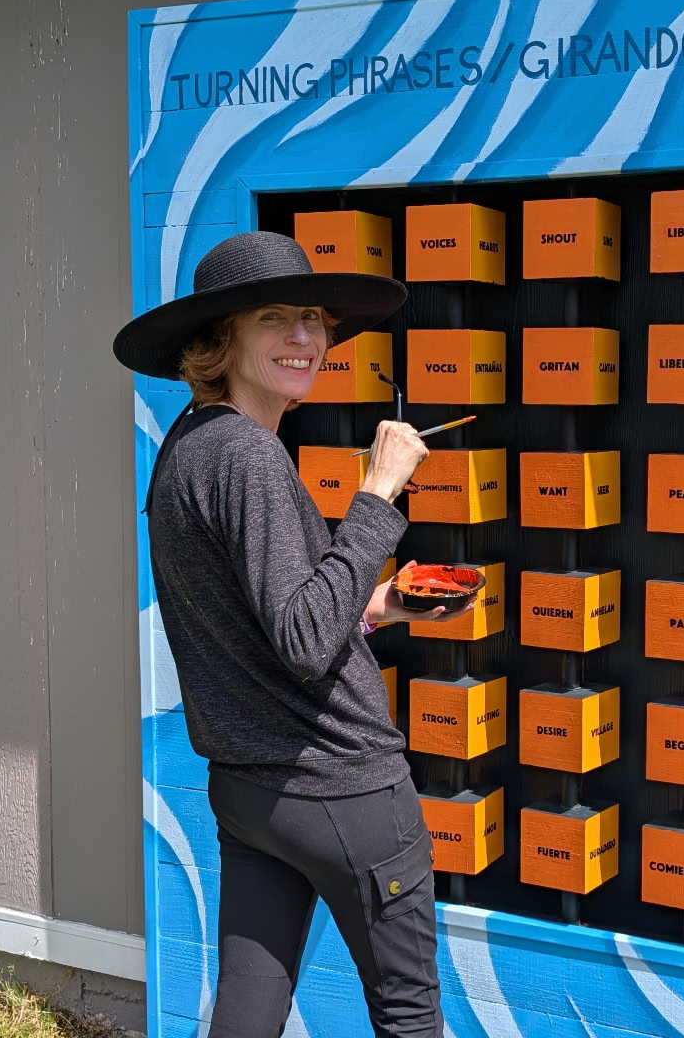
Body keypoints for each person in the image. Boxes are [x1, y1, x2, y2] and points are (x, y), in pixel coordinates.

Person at [113, 230, 463, 1038]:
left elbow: (270, 624)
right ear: (217, 341)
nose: (305, 337)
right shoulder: (249, 457)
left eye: (313, 318)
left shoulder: (192, 446)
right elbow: (304, 641)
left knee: (248, 1009)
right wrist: (380, 491)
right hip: (342, 787)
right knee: (410, 1014)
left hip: (251, 792)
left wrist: (378, 608)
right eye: (274, 318)